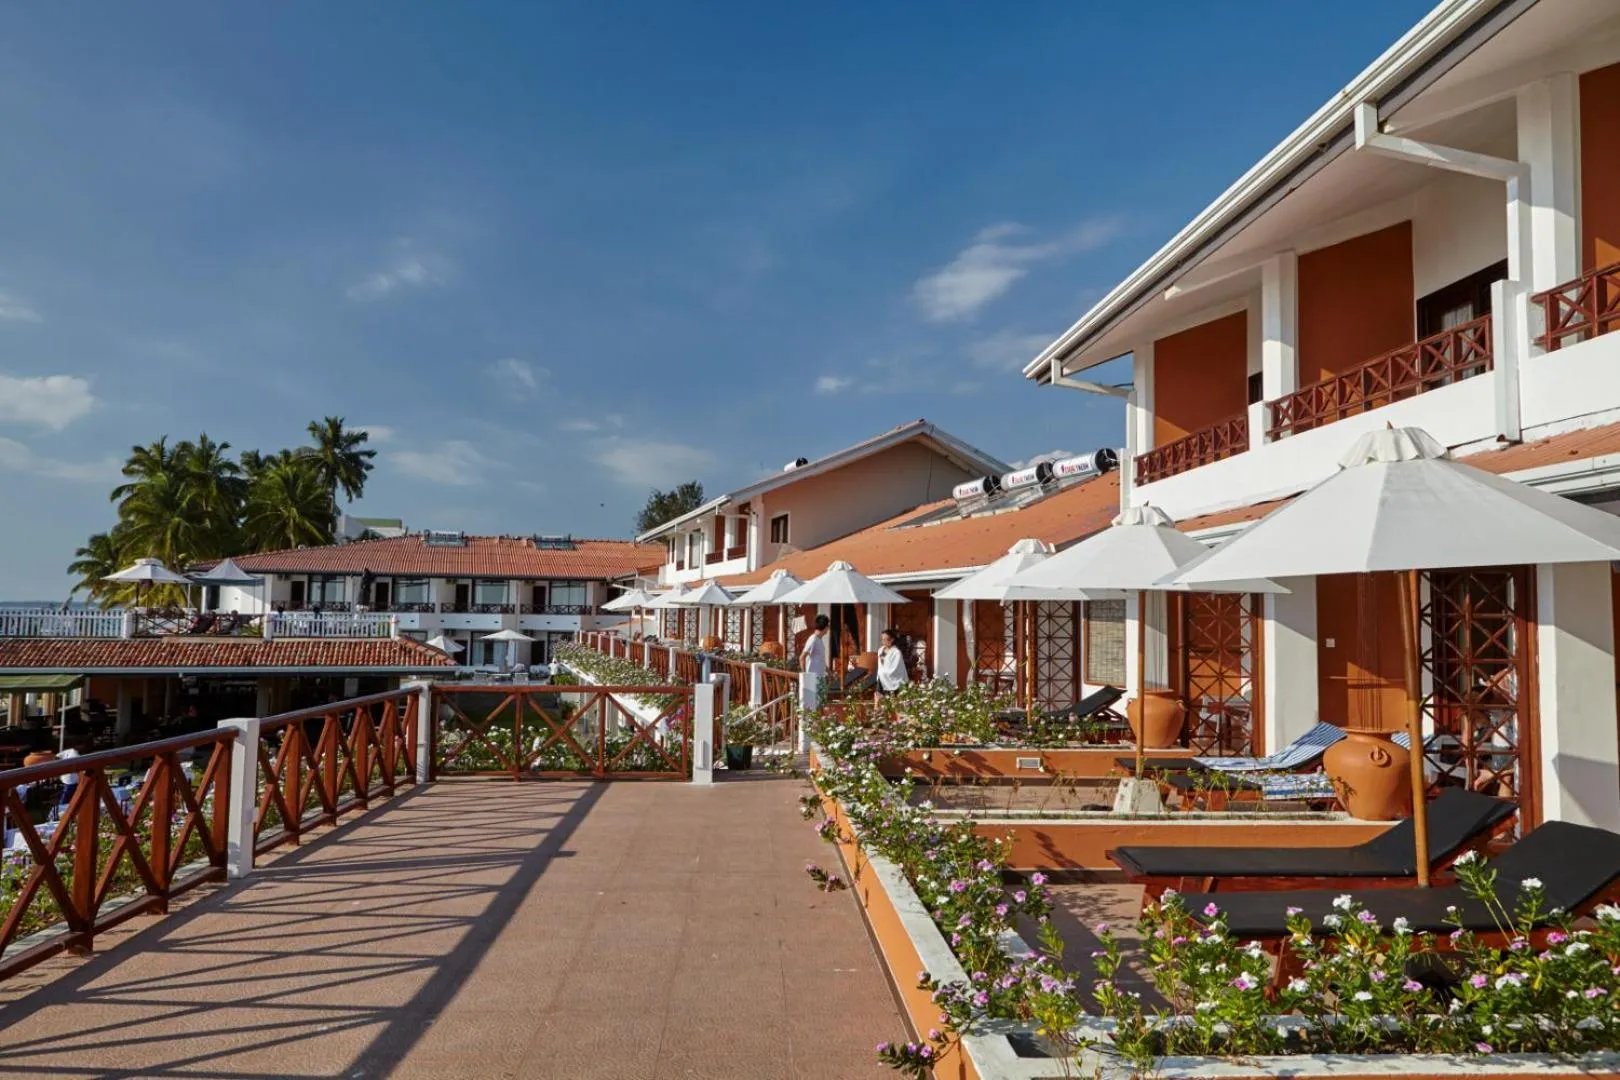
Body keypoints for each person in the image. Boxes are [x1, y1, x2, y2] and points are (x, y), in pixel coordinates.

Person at [875, 628, 908, 700]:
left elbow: (896, 667)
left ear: (892, 640)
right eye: (882, 639)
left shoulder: (896, 652)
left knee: (892, 699)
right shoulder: (880, 650)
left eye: (886, 639)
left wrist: (885, 672)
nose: (883, 642)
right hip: (881, 676)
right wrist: (881, 672)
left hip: (893, 677)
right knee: (877, 694)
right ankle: (876, 707)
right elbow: (880, 665)